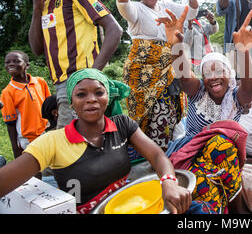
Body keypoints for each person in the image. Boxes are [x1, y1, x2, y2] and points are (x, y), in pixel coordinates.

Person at [0, 68, 191, 214]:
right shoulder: (52, 141)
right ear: (71, 102)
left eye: (99, 93)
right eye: (81, 94)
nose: (91, 99)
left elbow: (157, 155)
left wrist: (168, 182)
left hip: (131, 205)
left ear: (107, 96)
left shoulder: (122, 124)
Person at [159, 7, 252, 214]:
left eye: (220, 70)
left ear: (229, 75)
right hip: (192, 155)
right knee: (216, 157)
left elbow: (249, 88)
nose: (214, 76)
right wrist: (177, 46)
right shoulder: (198, 92)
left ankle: (235, 211)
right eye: (207, 72)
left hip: (225, 157)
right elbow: (184, 76)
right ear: (203, 78)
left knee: (223, 145)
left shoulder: (235, 98)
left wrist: (244, 51)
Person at [29, 0, 123, 130]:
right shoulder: (45, 0)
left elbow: (115, 29)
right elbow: (37, 49)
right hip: (62, 83)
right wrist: (37, 6)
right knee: (80, 142)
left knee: (72, 145)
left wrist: (92, 75)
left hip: (80, 78)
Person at [111, 0, 198, 151]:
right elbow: (124, 5)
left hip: (169, 67)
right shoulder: (136, 9)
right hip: (143, 71)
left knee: (171, 111)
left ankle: (172, 155)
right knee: (149, 114)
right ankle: (150, 156)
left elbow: (190, 13)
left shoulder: (165, 5)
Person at [1, 50, 51, 159]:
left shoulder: (40, 82)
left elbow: (50, 107)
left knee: (51, 166)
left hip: (47, 132)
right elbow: (10, 123)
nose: (11, 64)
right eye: (7, 62)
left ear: (27, 65)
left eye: (16, 61)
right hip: (27, 139)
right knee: (35, 168)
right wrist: (15, 149)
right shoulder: (7, 92)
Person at [183, 9, 219, 75]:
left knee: (214, 75)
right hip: (197, 58)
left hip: (209, 54)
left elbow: (214, 30)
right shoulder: (184, 24)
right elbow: (187, 43)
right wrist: (189, 27)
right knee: (203, 77)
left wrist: (212, 21)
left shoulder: (201, 22)